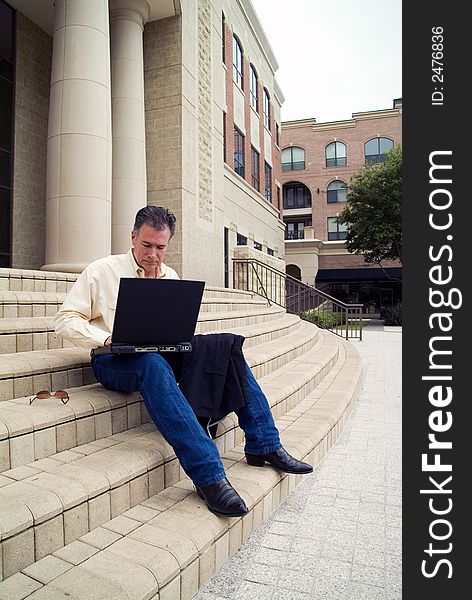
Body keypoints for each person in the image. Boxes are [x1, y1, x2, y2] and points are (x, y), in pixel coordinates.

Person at [55, 206, 312, 517]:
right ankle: (209, 476)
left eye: (160, 247)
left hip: (162, 354)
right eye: (146, 245)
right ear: (133, 237)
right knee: (151, 363)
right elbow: (65, 320)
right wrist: (105, 338)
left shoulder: (171, 275)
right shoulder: (101, 271)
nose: (153, 254)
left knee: (224, 347)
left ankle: (264, 443)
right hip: (112, 359)